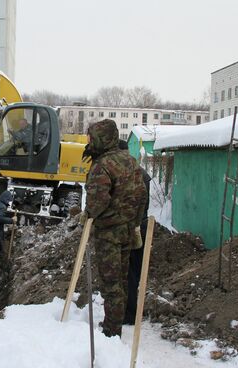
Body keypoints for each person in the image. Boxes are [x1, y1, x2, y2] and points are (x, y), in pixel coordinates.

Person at [80, 120, 147, 338]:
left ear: (101, 139)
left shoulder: (102, 165)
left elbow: (97, 202)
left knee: (111, 284)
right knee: (123, 279)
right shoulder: (130, 160)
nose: (89, 142)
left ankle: (111, 330)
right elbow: (142, 195)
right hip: (128, 230)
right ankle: (119, 321)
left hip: (108, 233)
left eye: (92, 138)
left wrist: (87, 215)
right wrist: (134, 222)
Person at [118, 140, 152, 325]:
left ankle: (129, 314)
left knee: (127, 272)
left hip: (131, 228)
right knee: (133, 272)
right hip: (140, 226)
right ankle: (130, 311)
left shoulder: (128, 174)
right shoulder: (140, 172)